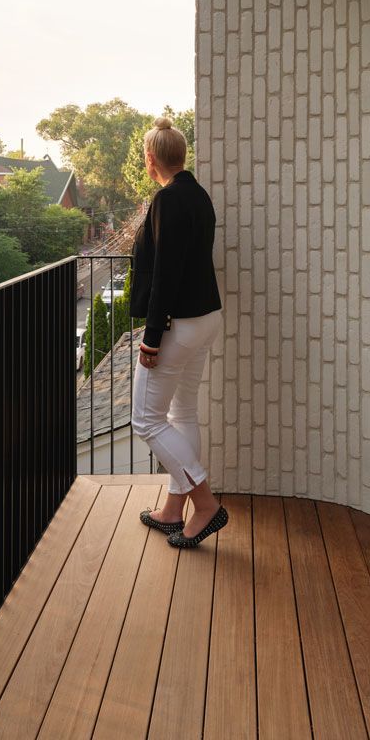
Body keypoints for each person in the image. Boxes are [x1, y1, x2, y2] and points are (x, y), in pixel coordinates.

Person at [130, 116, 229, 548]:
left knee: (145, 420)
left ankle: (204, 503)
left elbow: (166, 275)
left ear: (151, 159)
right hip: (205, 318)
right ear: (181, 156)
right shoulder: (199, 196)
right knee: (181, 414)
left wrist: (152, 336)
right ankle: (174, 509)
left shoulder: (168, 201)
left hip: (178, 326)